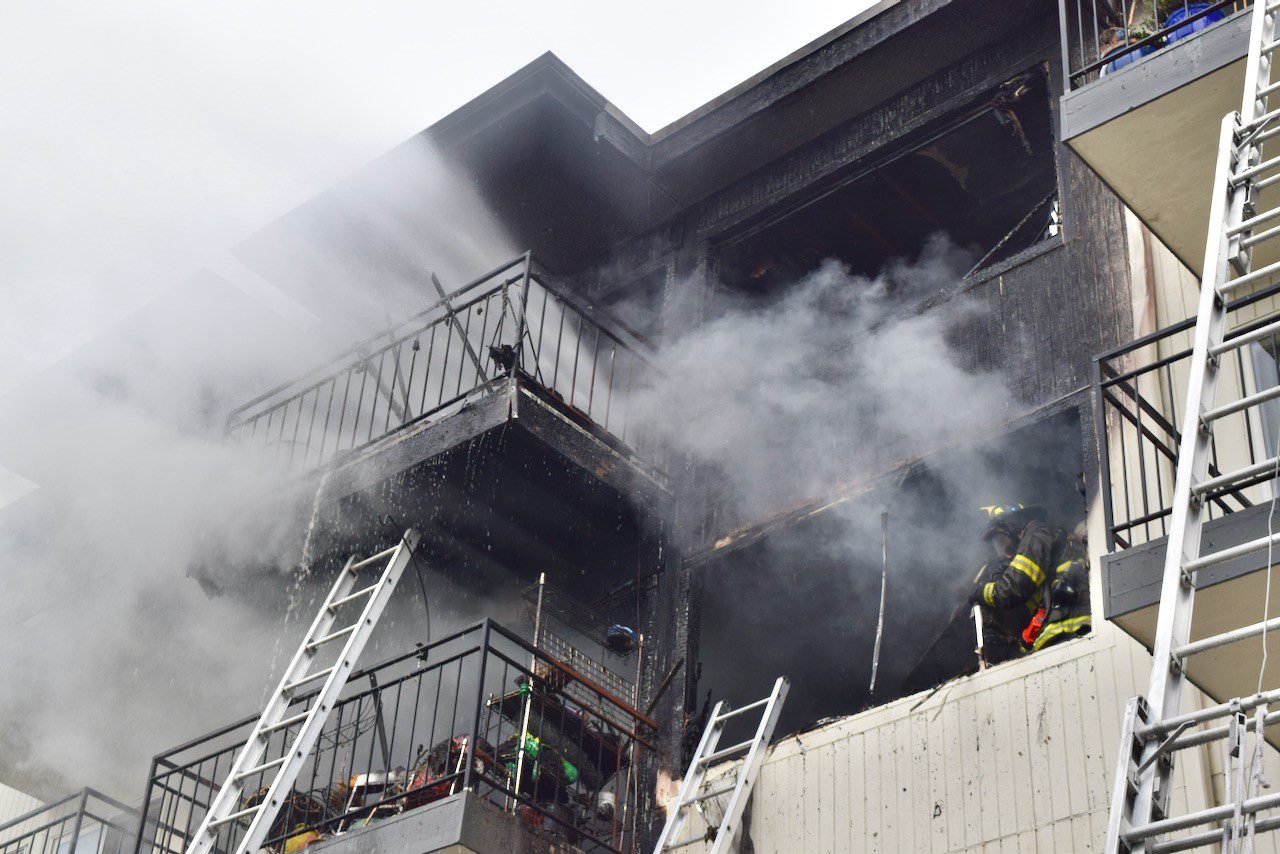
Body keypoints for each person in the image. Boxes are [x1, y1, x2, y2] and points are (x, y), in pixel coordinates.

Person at [973, 503, 1091, 652]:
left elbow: (1012, 589)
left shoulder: (1037, 536)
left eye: (1001, 541)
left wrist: (980, 591)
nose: (1003, 551)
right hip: (1065, 629)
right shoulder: (1049, 542)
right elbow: (1040, 612)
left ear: (1012, 526)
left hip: (1067, 628)